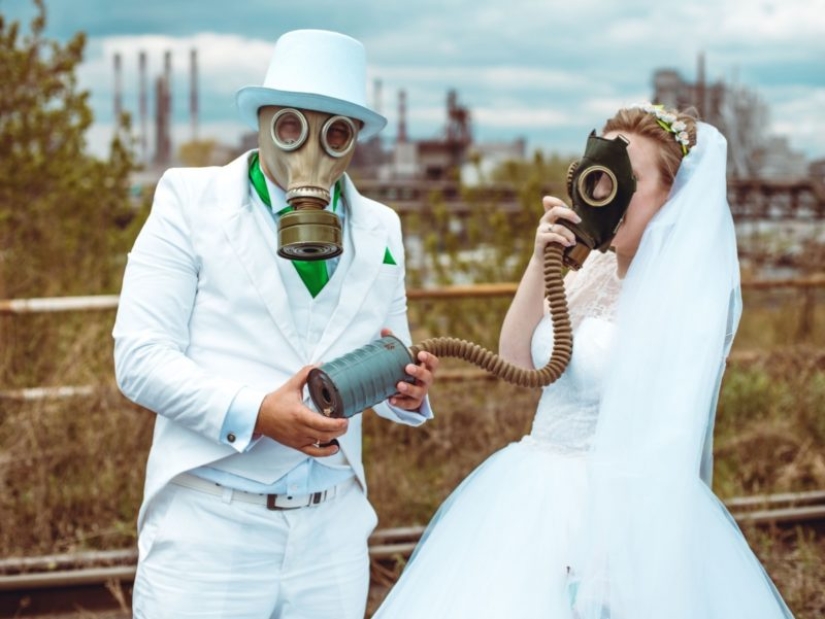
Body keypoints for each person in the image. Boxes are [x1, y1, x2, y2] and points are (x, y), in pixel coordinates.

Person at [373, 105, 795, 618]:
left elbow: (671, 432)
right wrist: (541, 259)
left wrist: (609, 550)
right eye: (602, 177)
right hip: (534, 490)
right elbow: (514, 357)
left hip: (619, 510)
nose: (609, 194)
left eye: (630, 181)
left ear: (672, 197)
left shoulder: (689, 298)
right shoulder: (592, 269)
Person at [113, 29, 438, 619]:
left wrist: (404, 390)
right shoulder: (188, 200)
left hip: (333, 533)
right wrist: (258, 413)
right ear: (264, 121)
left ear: (354, 140)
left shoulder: (381, 227)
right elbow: (140, 359)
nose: (311, 149)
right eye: (293, 127)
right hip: (211, 529)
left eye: (336, 131)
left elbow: (389, 344)